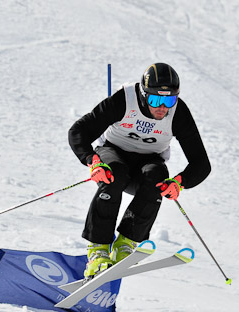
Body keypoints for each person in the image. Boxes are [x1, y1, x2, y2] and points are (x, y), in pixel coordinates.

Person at [68, 62, 211, 281]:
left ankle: (127, 241)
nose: (162, 107)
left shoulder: (178, 112)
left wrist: (180, 182)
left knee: (157, 178)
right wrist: (92, 161)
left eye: (169, 100)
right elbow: (79, 131)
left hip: (148, 161)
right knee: (115, 173)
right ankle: (98, 249)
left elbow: (201, 163)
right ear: (144, 95)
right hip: (113, 152)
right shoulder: (125, 99)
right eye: (155, 100)